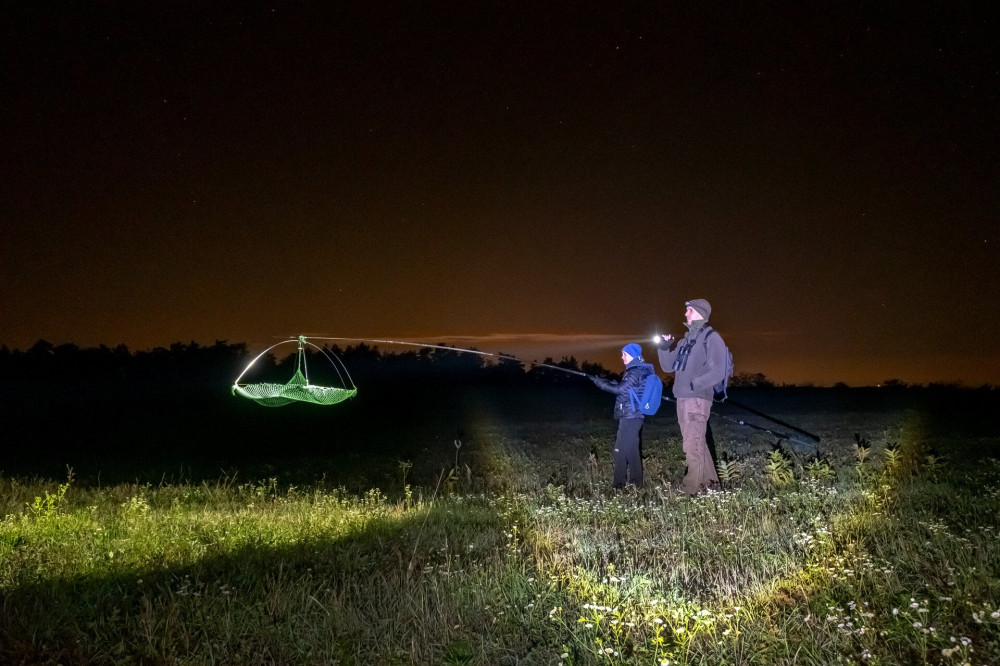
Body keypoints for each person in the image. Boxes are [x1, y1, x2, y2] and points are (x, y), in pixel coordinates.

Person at [656, 299, 727, 495]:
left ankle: (689, 491)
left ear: (699, 313)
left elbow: (718, 370)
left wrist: (694, 384)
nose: (685, 314)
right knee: (698, 443)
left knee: (692, 446)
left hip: (697, 399)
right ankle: (712, 486)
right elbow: (668, 366)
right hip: (682, 399)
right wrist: (664, 346)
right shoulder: (685, 340)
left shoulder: (711, 338)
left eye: (688, 310)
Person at [590, 343, 655, 488]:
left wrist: (600, 384)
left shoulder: (634, 371)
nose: (621, 357)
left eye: (624, 354)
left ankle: (618, 485)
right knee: (632, 451)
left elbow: (620, 389)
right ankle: (636, 483)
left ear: (631, 355)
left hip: (630, 416)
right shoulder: (637, 370)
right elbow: (627, 389)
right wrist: (608, 382)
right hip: (634, 415)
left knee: (619, 450)